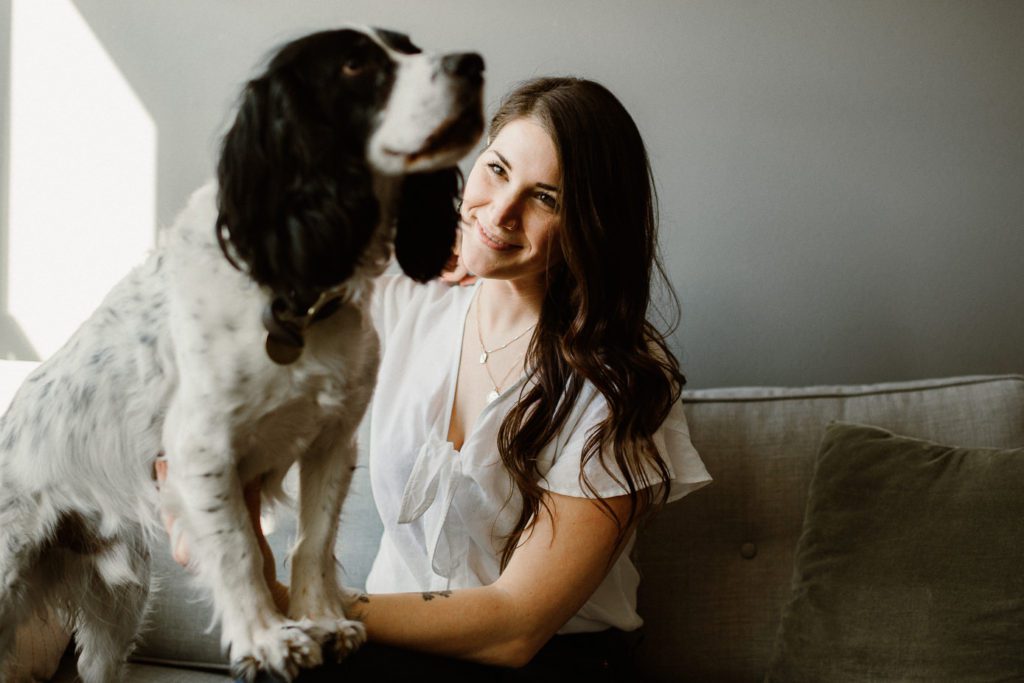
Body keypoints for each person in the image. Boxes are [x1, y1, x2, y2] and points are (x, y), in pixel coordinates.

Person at [20, 75, 711, 681]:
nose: (500, 214)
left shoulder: (622, 378)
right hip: (381, 651)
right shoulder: (405, 294)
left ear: (590, 224)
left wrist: (305, 598)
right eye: (496, 170)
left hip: (555, 661)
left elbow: (515, 624)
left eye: (546, 199)